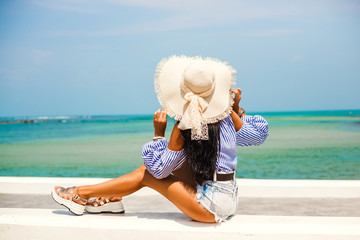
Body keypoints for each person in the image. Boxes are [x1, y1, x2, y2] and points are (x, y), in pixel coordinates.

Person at [52, 55, 268, 223]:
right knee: (176, 165)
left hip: (210, 207)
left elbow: (159, 171)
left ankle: (79, 194)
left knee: (147, 174)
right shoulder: (227, 118)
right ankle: (111, 199)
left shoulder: (182, 128)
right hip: (228, 198)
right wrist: (235, 108)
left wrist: (158, 134)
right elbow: (257, 136)